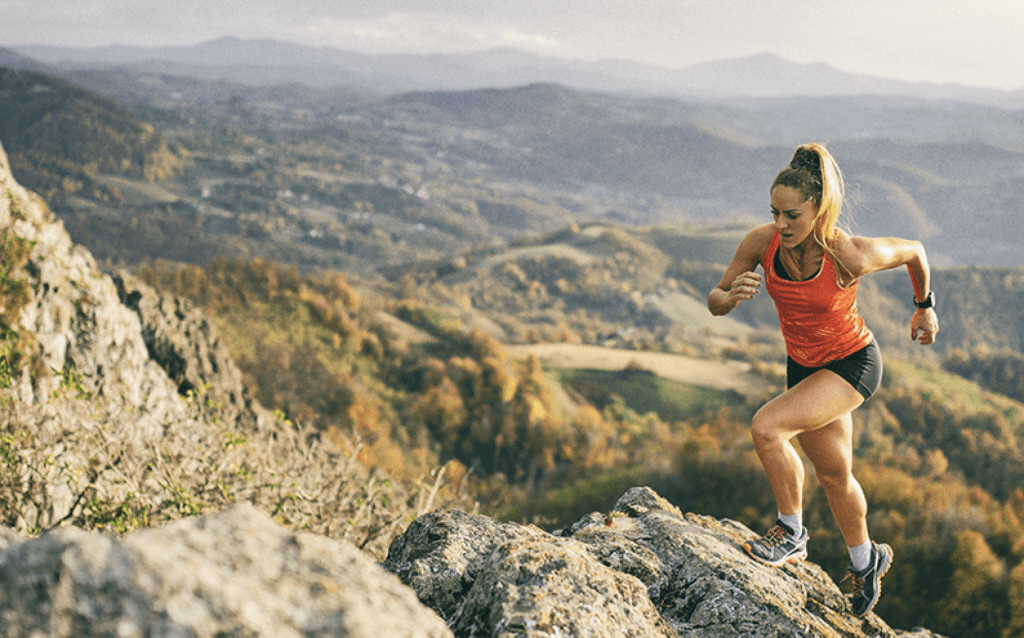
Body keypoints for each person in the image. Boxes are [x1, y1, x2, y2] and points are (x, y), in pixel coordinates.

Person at [707, 142, 939, 617]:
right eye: (774, 212)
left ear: (818, 210)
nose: (781, 224)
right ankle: (866, 560)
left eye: (792, 214)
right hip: (806, 367)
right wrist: (729, 298)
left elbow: (914, 252)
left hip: (853, 363)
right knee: (834, 474)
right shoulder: (761, 243)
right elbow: (714, 296)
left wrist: (924, 308)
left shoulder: (847, 254)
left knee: (767, 427)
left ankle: (790, 533)